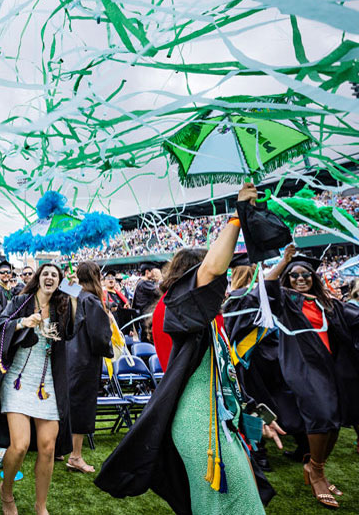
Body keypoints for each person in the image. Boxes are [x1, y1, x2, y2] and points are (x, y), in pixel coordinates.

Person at [95, 183, 282, 515]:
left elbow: (226, 375)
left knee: (230, 505)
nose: (222, 288)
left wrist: (252, 411)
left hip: (217, 419)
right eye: (217, 283)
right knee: (235, 506)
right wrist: (237, 217)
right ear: (191, 280)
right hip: (201, 424)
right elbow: (211, 269)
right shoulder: (175, 307)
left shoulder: (202, 319)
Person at [225, 246, 359, 509]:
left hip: (329, 367)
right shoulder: (286, 300)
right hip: (301, 366)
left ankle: (314, 465)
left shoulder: (326, 303)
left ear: (314, 277)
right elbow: (268, 288)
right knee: (321, 414)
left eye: (306, 274)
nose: (300, 278)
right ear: (287, 278)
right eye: (294, 274)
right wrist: (284, 261)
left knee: (333, 420)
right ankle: (316, 471)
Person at [0, 263, 74, 515]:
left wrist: (71, 285)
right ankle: (6, 491)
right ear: (38, 278)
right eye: (45, 273)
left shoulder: (62, 307)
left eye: (55, 275)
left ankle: (41, 506)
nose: (49, 277)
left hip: (46, 383)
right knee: (20, 445)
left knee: (48, 446)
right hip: (17, 379)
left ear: (59, 281)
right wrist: (22, 323)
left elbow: (74, 327)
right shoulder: (20, 301)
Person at [67, 261, 113, 474]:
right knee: (81, 406)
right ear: (96, 276)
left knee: (69, 404)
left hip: (69, 357)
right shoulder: (91, 300)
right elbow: (99, 336)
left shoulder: (73, 295)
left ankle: (62, 449)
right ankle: (75, 456)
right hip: (85, 360)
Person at [131, 262, 162, 341]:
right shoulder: (144, 284)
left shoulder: (141, 283)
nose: (155, 273)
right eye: (153, 271)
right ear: (147, 272)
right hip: (146, 319)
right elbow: (160, 292)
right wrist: (160, 278)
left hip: (145, 318)